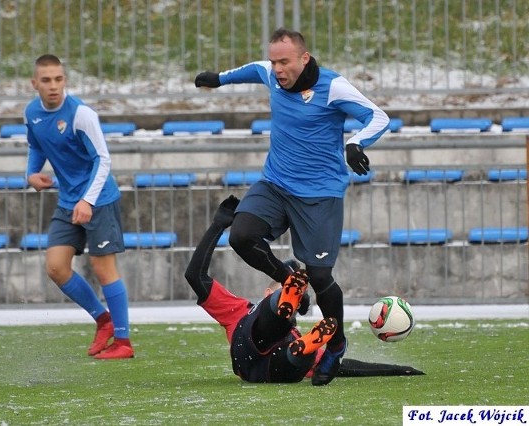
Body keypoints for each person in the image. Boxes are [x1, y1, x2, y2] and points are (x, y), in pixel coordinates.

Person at [194, 28, 391, 385]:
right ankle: (287, 279)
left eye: (284, 61)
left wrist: (356, 143)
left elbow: (378, 117)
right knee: (241, 235)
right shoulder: (270, 73)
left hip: (319, 195)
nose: (277, 68)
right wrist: (219, 80)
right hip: (275, 184)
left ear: (304, 58)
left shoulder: (333, 87)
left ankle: (336, 345)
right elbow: (252, 69)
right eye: (274, 60)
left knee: (320, 277)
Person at [185, 195, 424, 383]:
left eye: (295, 292)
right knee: (285, 345)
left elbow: (345, 365)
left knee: (296, 357)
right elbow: (194, 276)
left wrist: (394, 370)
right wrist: (219, 224)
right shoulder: (241, 309)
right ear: (268, 291)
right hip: (258, 346)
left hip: (264, 369)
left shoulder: (245, 315)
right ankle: (296, 336)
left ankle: (302, 347)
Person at [24, 54, 133, 359]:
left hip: (98, 199)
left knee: (102, 268)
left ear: (65, 81)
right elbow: (36, 145)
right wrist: (32, 173)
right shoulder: (32, 113)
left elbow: (103, 159)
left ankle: (123, 342)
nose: (53, 86)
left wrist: (88, 199)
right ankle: (104, 320)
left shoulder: (81, 114)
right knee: (56, 268)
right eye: (46, 80)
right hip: (68, 201)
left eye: (58, 79)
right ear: (35, 84)